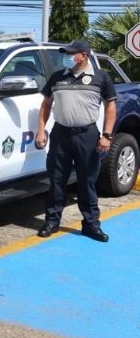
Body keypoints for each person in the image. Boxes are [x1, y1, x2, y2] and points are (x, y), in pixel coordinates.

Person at [35, 40, 117, 242]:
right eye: (66, 54)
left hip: (87, 135)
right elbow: (45, 105)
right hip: (60, 134)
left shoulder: (99, 77)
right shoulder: (57, 77)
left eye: (71, 54)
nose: (67, 57)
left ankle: (91, 225)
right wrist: (41, 130)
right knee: (56, 180)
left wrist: (106, 135)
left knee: (87, 181)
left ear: (84, 55)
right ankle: (52, 221)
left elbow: (110, 107)